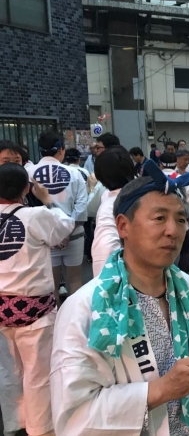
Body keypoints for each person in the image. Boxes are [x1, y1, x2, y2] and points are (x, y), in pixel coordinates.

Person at [50, 161, 189, 435]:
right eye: (159, 218)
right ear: (123, 225)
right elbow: (74, 415)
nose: (173, 230)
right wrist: (161, 389)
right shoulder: (87, 308)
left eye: (181, 219)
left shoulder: (187, 289)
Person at [0, 163, 74, 436]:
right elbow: (64, 227)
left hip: (1, 308)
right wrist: (47, 199)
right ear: (25, 188)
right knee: (38, 374)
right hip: (34, 311)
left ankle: (15, 422)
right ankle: (40, 428)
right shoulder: (35, 215)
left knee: (7, 371)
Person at [26, 132, 88, 298]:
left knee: (50, 286)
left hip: (43, 237)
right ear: (62, 149)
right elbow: (81, 206)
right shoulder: (76, 173)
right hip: (73, 234)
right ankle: (76, 322)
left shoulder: (28, 173)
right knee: (75, 282)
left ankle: (54, 322)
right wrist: (65, 232)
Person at [91, 146, 136, 276]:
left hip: (118, 280)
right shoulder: (141, 196)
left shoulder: (109, 205)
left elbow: (105, 247)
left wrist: (103, 284)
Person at [160, 152, 189, 272]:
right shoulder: (181, 179)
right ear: (175, 163)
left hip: (159, 220)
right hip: (181, 220)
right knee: (185, 250)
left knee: (161, 250)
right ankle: (183, 277)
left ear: (160, 164)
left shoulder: (153, 179)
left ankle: (162, 275)